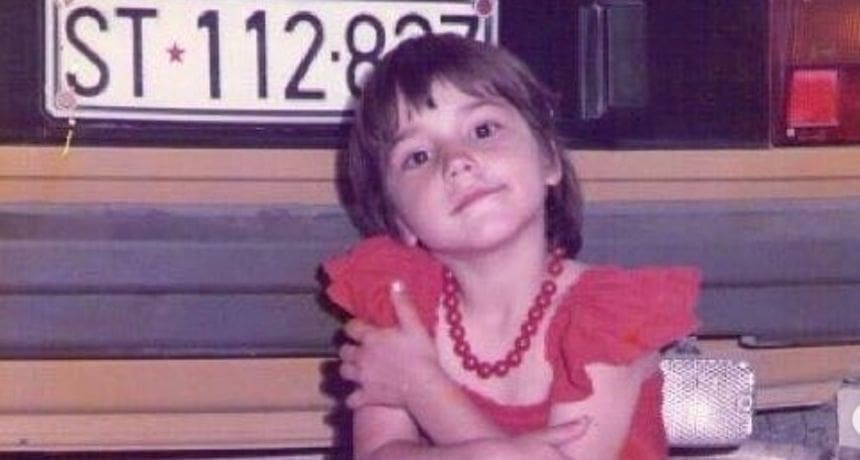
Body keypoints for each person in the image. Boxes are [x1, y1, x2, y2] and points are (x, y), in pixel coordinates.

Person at [323, 33, 700, 460]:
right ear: (399, 220)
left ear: (549, 160)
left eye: (483, 130)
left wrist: (422, 387)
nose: (457, 161)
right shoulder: (398, 299)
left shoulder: (609, 317)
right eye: (418, 156)